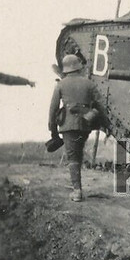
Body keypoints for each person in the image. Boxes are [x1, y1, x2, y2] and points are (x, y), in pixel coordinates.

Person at [48, 54, 104, 202]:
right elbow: (100, 105)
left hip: (68, 125)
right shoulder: (89, 83)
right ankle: (77, 187)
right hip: (85, 125)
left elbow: (53, 109)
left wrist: (52, 129)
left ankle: (77, 191)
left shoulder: (60, 84)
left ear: (66, 69)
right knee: (78, 154)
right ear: (78, 67)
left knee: (72, 157)